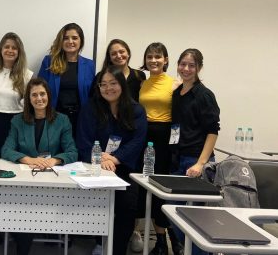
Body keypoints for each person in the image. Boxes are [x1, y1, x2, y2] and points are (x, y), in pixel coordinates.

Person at [1, 77, 78, 254]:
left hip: (53, 183)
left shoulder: (62, 120)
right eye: (34, 95)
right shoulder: (18, 121)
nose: (39, 98)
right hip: (24, 181)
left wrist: (55, 160)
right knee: (25, 207)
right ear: (28, 98)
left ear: (49, 96)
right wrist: (28, 159)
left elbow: (72, 151)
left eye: (42, 94)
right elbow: (6, 149)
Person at [77, 65, 147, 255]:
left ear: (122, 84)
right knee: (97, 204)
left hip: (125, 167)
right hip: (96, 166)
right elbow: (84, 140)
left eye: (113, 83)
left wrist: (115, 159)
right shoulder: (91, 108)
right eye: (103, 84)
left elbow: (137, 141)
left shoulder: (136, 110)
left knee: (127, 207)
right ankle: (100, 243)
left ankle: (117, 249)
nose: (108, 88)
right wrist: (101, 159)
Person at [171, 49, 220, 255]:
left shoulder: (204, 95)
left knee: (195, 219)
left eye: (191, 65)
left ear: (199, 68)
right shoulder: (177, 93)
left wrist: (200, 163)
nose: (186, 69)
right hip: (177, 159)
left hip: (195, 161)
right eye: (183, 64)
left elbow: (213, 130)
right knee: (173, 212)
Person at [138, 42, 182, 255]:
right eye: (150, 56)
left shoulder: (175, 84)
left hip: (165, 139)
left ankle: (173, 237)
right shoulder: (142, 83)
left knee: (162, 189)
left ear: (166, 60)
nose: (153, 60)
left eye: (158, 56)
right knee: (147, 187)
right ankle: (162, 241)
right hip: (145, 137)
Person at [0, 32, 33, 158]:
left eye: (14, 48)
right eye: (7, 47)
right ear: (0, 50)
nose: (10, 50)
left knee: (14, 161)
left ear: (19, 52)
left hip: (17, 124)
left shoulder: (27, 75)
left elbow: (29, 108)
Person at [38, 22, 94, 139]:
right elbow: (39, 90)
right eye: (66, 38)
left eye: (74, 38)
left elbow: (92, 95)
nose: (70, 41)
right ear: (61, 41)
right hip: (54, 117)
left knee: (77, 152)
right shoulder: (49, 62)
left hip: (80, 119)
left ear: (81, 41)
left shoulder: (89, 65)